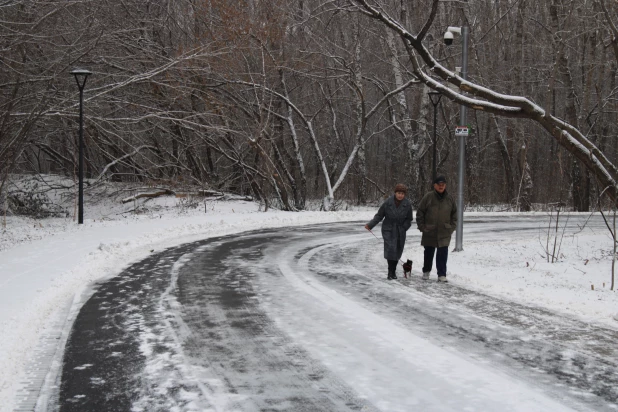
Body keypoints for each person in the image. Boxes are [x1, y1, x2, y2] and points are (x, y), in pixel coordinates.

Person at [364, 184, 413, 280]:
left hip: (400, 231)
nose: (400, 195)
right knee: (391, 250)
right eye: (399, 193)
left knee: (397, 251)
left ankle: (393, 271)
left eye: (402, 193)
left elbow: (409, 219)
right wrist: (370, 225)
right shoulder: (388, 203)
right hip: (388, 230)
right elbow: (379, 215)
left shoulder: (407, 204)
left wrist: (404, 228)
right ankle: (391, 272)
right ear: (395, 193)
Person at [416, 175, 457, 283]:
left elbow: (455, 215)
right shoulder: (428, 197)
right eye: (439, 184)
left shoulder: (450, 198)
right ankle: (426, 271)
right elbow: (420, 212)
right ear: (434, 185)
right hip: (429, 231)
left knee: (442, 254)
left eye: (443, 184)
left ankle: (442, 274)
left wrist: (451, 228)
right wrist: (422, 227)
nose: (441, 186)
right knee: (428, 253)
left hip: (444, 231)